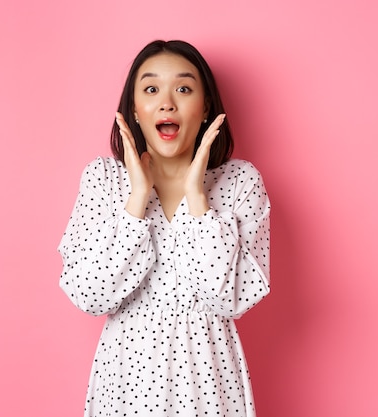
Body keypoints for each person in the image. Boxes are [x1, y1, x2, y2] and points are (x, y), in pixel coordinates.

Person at [58, 39, 270, 416]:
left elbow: (233, 300)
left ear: (205, 107)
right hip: (125, 384)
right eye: (151, 89)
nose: (167, 102)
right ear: (135, 110)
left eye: (184, 89)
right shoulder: (104, 180)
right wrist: (137, 199)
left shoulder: (241, 182)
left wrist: (197, 197)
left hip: (211, 386)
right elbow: (90, 295)